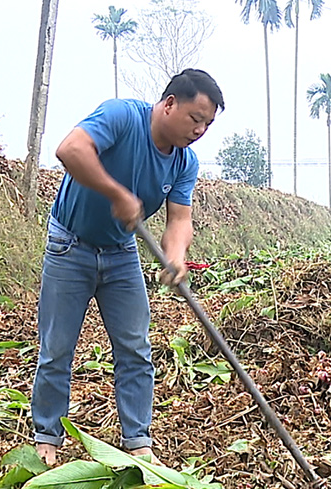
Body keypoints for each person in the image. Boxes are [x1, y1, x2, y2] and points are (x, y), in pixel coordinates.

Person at [30, 69, 225, 466]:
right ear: (170, 103)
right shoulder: (121, 116)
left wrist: (175, 255)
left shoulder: (184, 162)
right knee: (57, 347)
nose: (200, 130)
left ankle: (137, 439)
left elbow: (179, 220)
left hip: (120, 252)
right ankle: (47, 433)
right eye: (195, 118)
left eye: (207, 123)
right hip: (71, 244)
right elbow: (70, 150)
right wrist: (115, 193)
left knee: (136, 348)